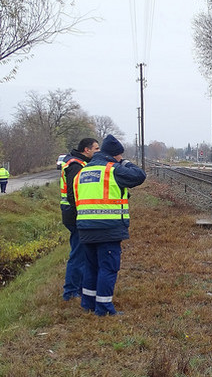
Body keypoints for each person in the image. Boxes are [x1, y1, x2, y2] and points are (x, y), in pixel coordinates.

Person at [74, 134, 146, 316]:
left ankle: (88, 303)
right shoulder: (113, 170)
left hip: (85, 228)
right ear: (115, 155)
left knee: (91, 266)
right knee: (108, 268)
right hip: (107, 228)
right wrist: (126, 163)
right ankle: (104, 308)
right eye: (120, 155)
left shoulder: (82, 172)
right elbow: (139, 176)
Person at [60, 138, 100, 301]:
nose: (98, 151)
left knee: (81, 252)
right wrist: (82, 213)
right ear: (86, 150)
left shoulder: (78, 162)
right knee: (79, 253)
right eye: (96, 148)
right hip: (74, 214)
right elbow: (72, 193)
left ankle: (80, 288)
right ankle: (71, 292)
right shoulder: (76, 165)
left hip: (72, 213)